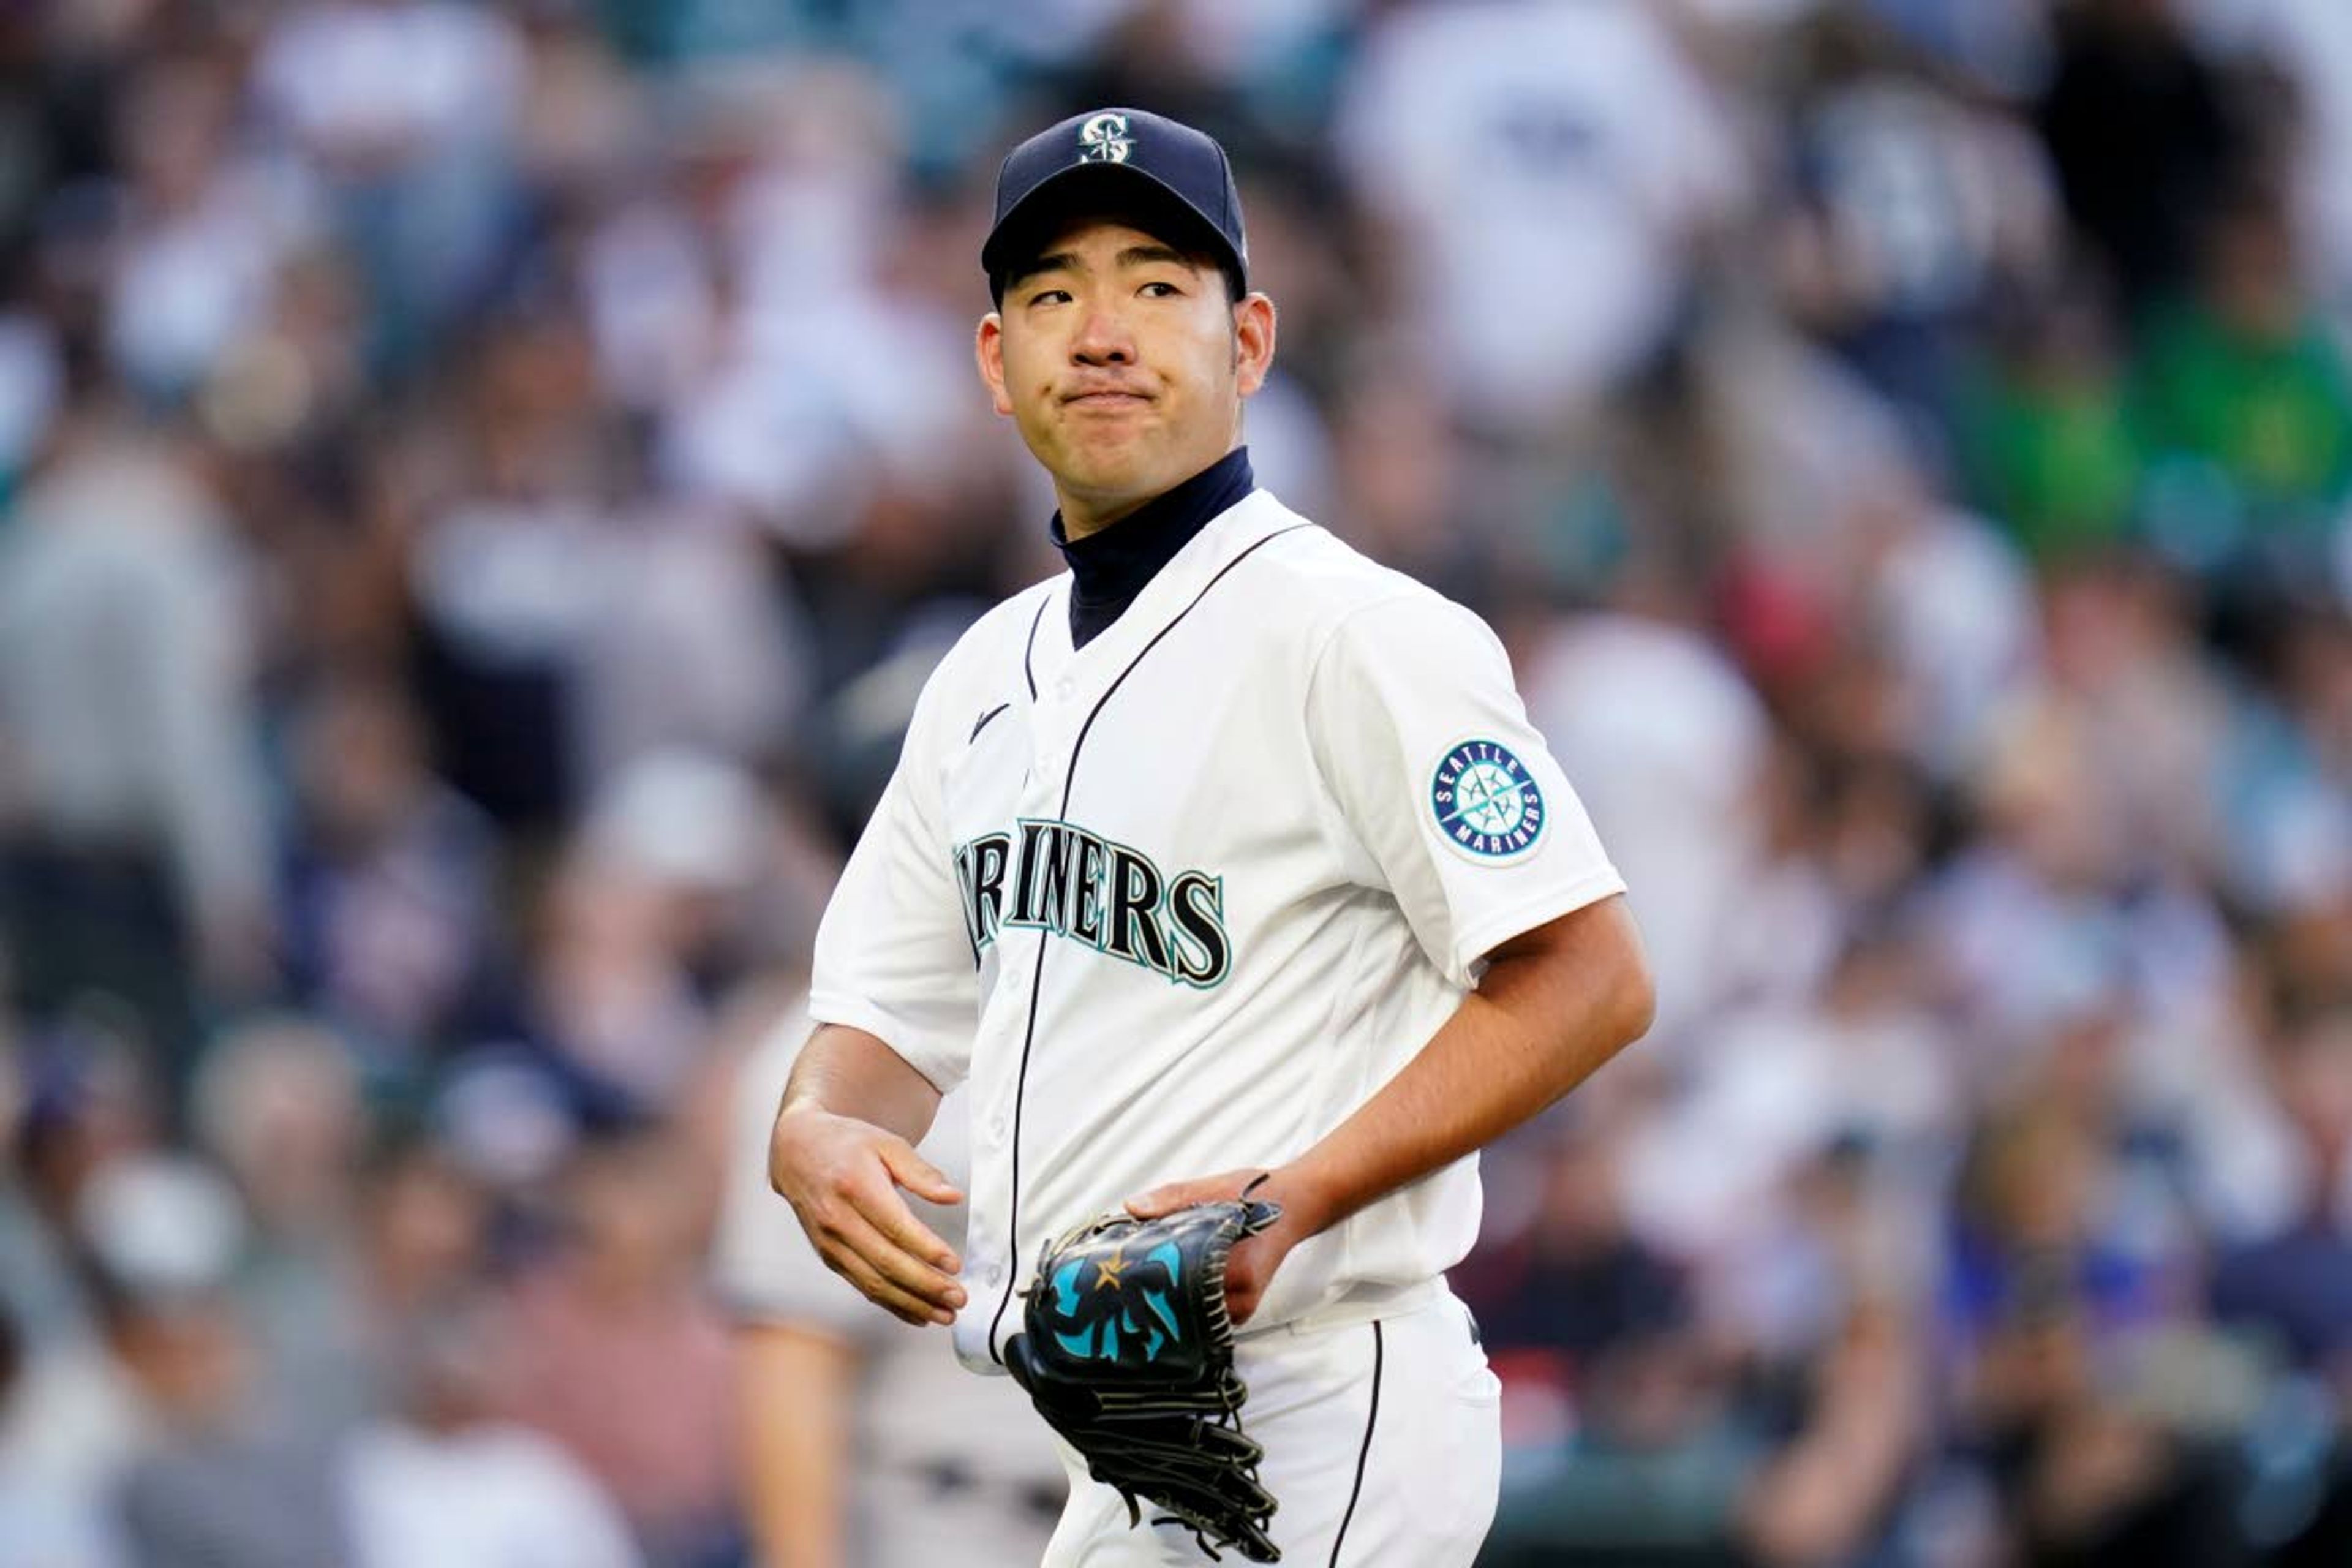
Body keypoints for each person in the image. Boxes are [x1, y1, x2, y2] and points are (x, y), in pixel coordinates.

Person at [766, 105, 1656, 1566]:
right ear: (998, 363)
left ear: (1248, 344)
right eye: (1052, 292)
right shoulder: (983, 677)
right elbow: (878, 1022)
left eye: (1156, 285)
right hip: (1113, 1451)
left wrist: (1300, 1190)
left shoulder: (1354, 634)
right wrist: (811, 1129)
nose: (1101, 329)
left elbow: (1590, 974)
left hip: (1321, 1396)